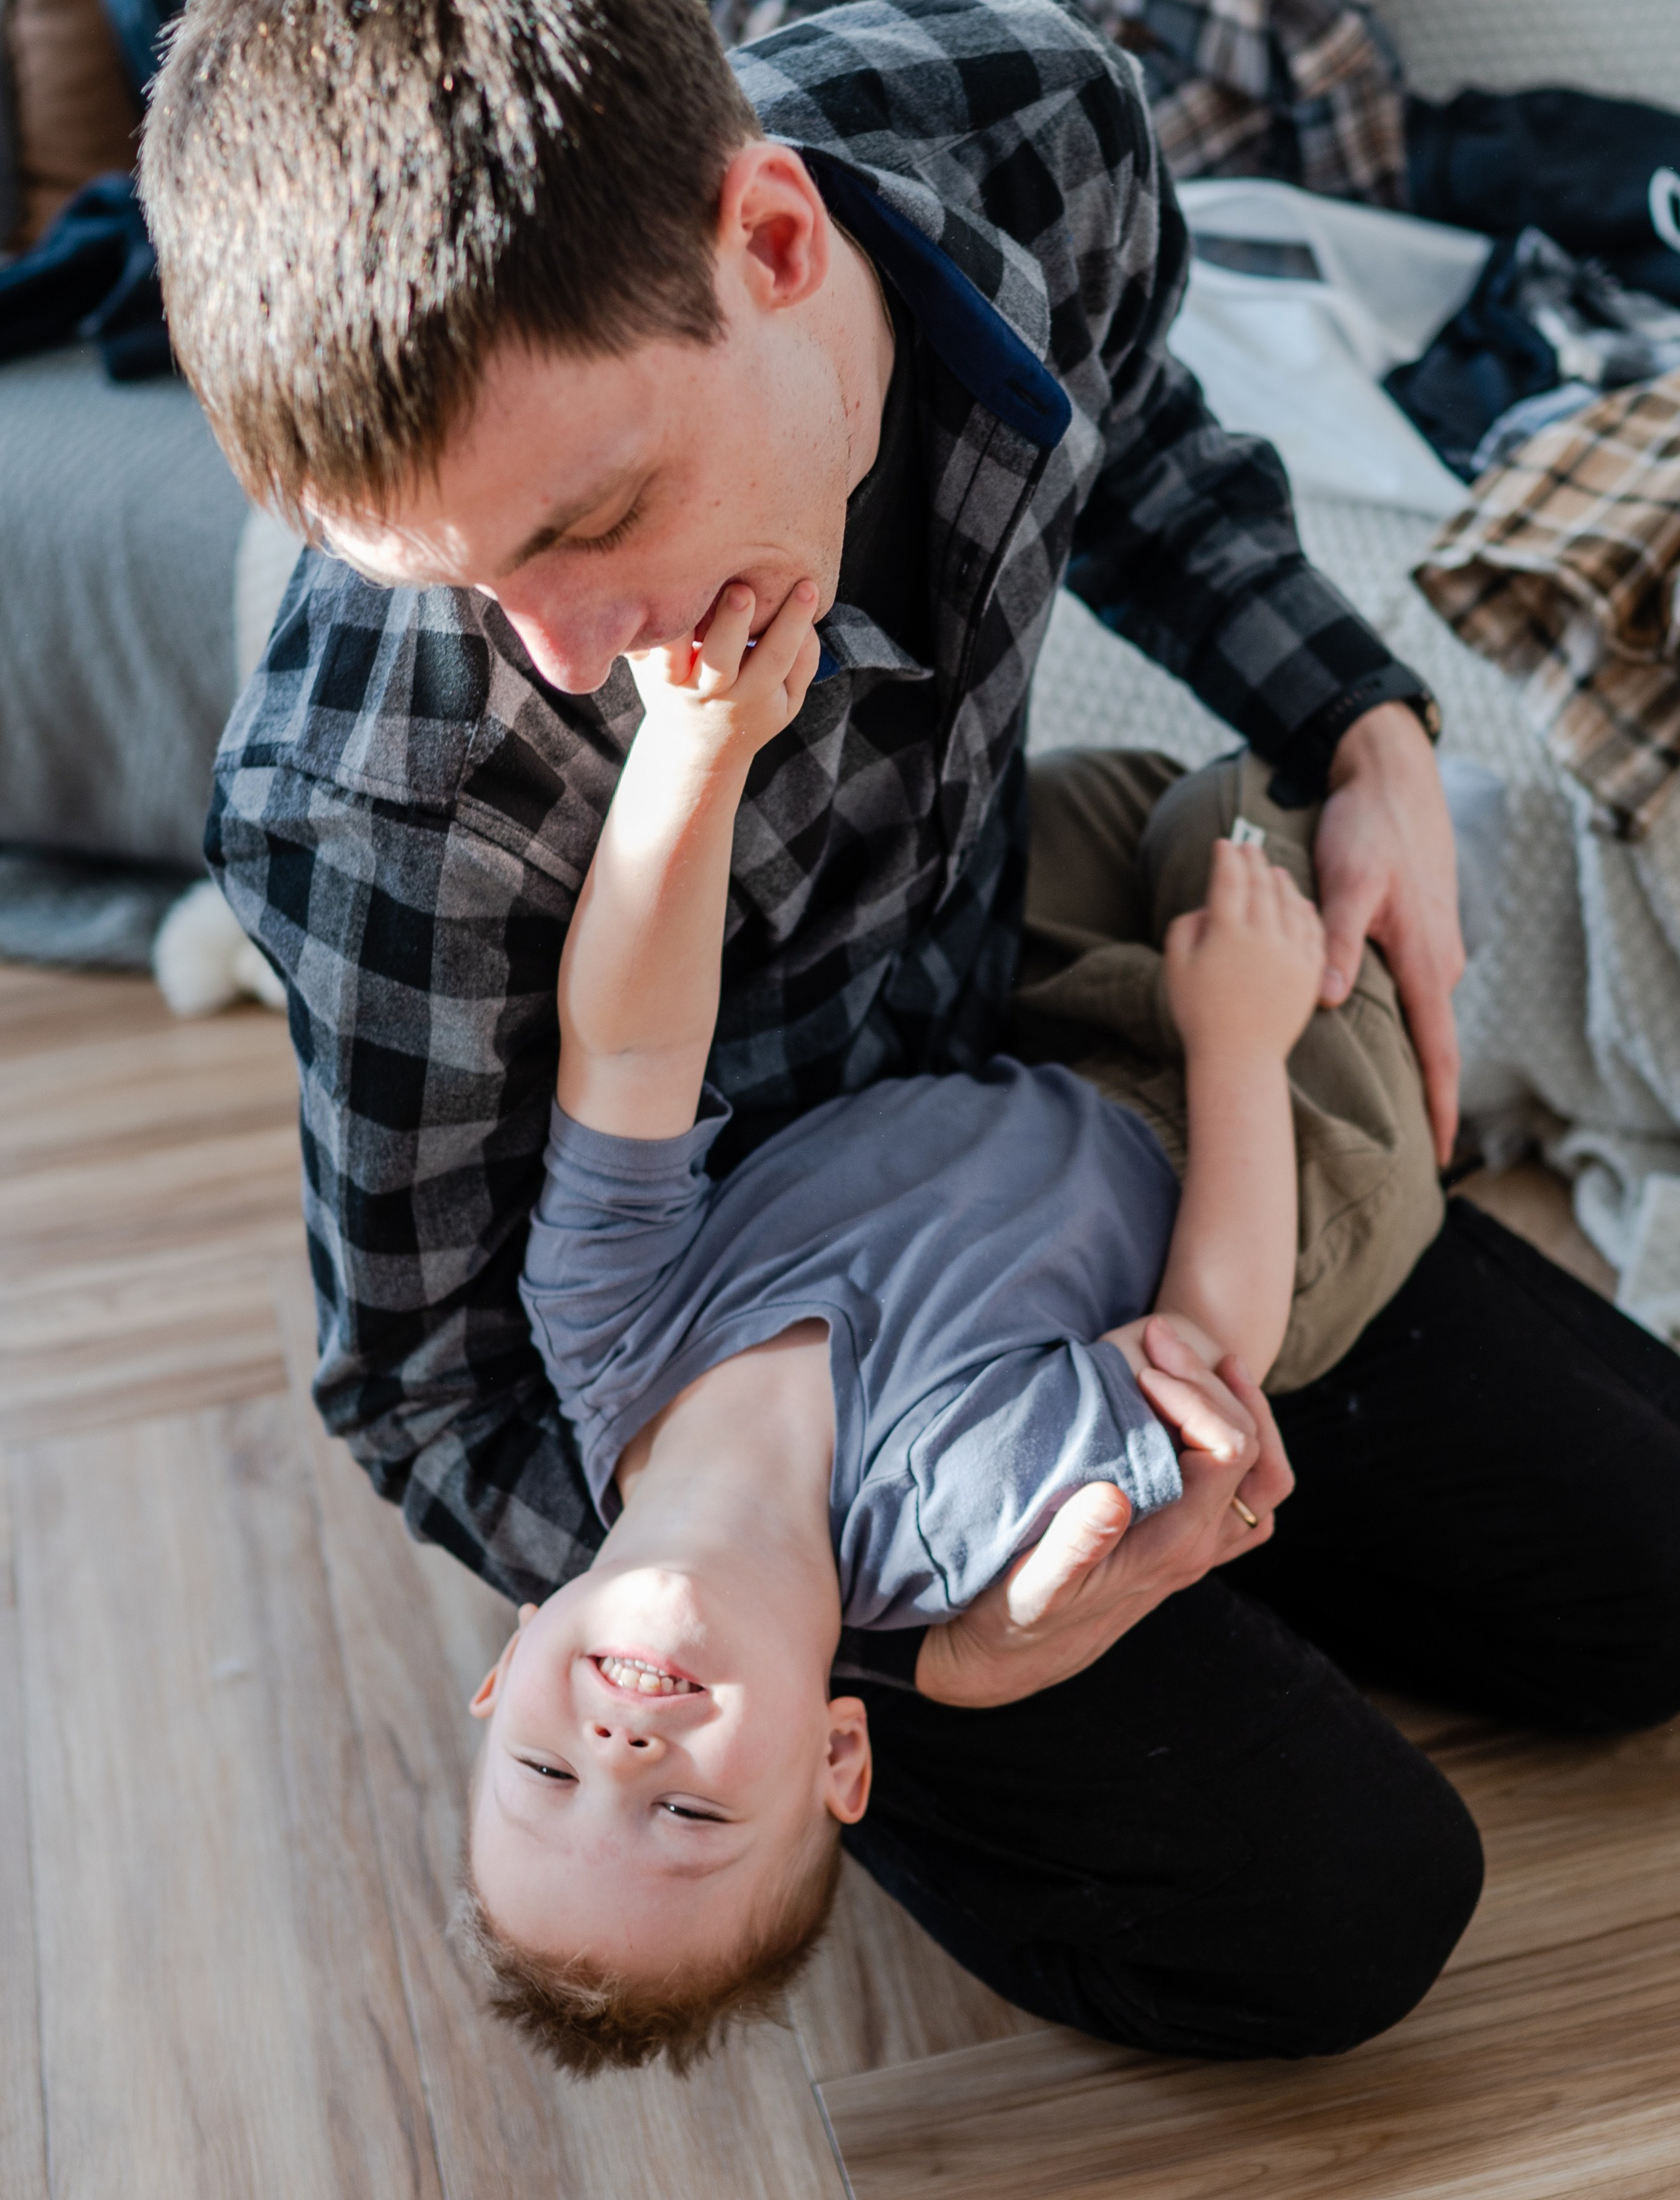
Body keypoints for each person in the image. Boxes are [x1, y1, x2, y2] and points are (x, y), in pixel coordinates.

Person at [140, 0, 1680, 2067]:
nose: (568, 660)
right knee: (1342, 1908)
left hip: (1026, 1078)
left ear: (774, 241)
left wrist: (1358, 716)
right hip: (898, 1462)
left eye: (585, 524)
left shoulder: (1030, 128)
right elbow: (424, 1391)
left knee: (1646, 1584)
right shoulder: (381, 798)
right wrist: (915, 1638)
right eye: (458, 585)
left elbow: (1141, 443)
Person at [466, 571, 1432, 2072]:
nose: (621, 1755)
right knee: (1263, 847)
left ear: (504, 1666)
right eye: (690, 1814)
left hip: (1048, 1050)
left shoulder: (601, 1322)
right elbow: (1206, 1351)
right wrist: (1236, 1040)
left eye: (542, 1768)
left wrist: (693, 752)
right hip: (1244, 1158)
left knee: (1143, 815)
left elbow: (632, 1038)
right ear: (840, 1755)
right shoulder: (950, 1521)